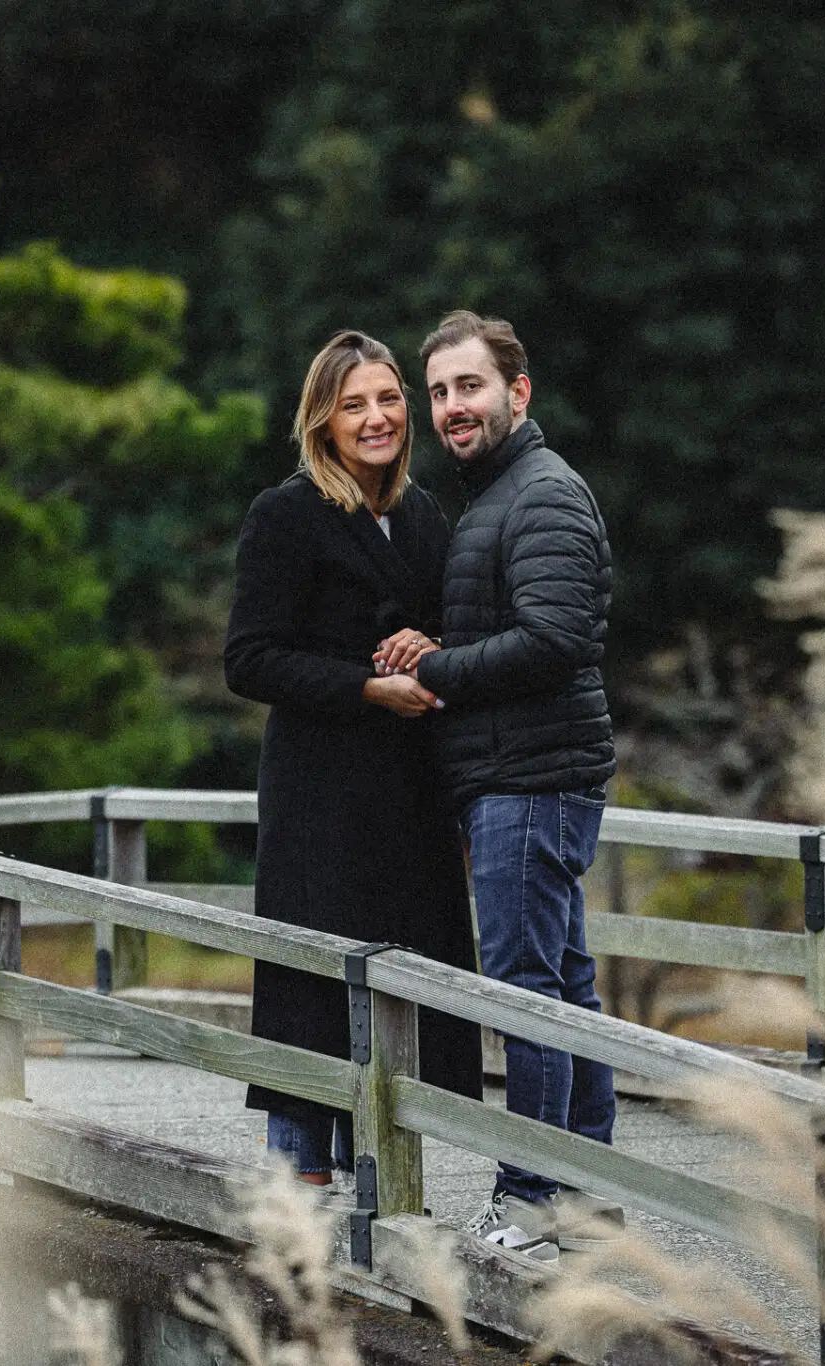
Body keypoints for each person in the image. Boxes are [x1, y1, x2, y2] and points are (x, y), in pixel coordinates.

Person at [374, 310, 619, 1259]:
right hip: (521, 775)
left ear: (519, 392)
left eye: (468, 387)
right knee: (563, 989)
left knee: (523, 991)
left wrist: (434, 669)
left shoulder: (542, 495)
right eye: (438, 392)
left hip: (532, 778)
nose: (450, 408)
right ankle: (588, 1198)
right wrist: (448, 650)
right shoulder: (495, 495)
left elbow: (556, 641)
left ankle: (529, 1199)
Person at [224, 328, 484, 1185]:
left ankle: (384, 1192)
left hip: (410, 799)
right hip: (321, 800)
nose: (376, 418)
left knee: (403, 990)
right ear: (322, 422)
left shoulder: (421, 516)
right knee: (314, 992)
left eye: (388, 399)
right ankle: (295, 1203)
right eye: (354, 405)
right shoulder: (287, 513)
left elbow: (455, 628)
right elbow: (249, 659)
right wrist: (365, 687)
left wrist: (434, 647)